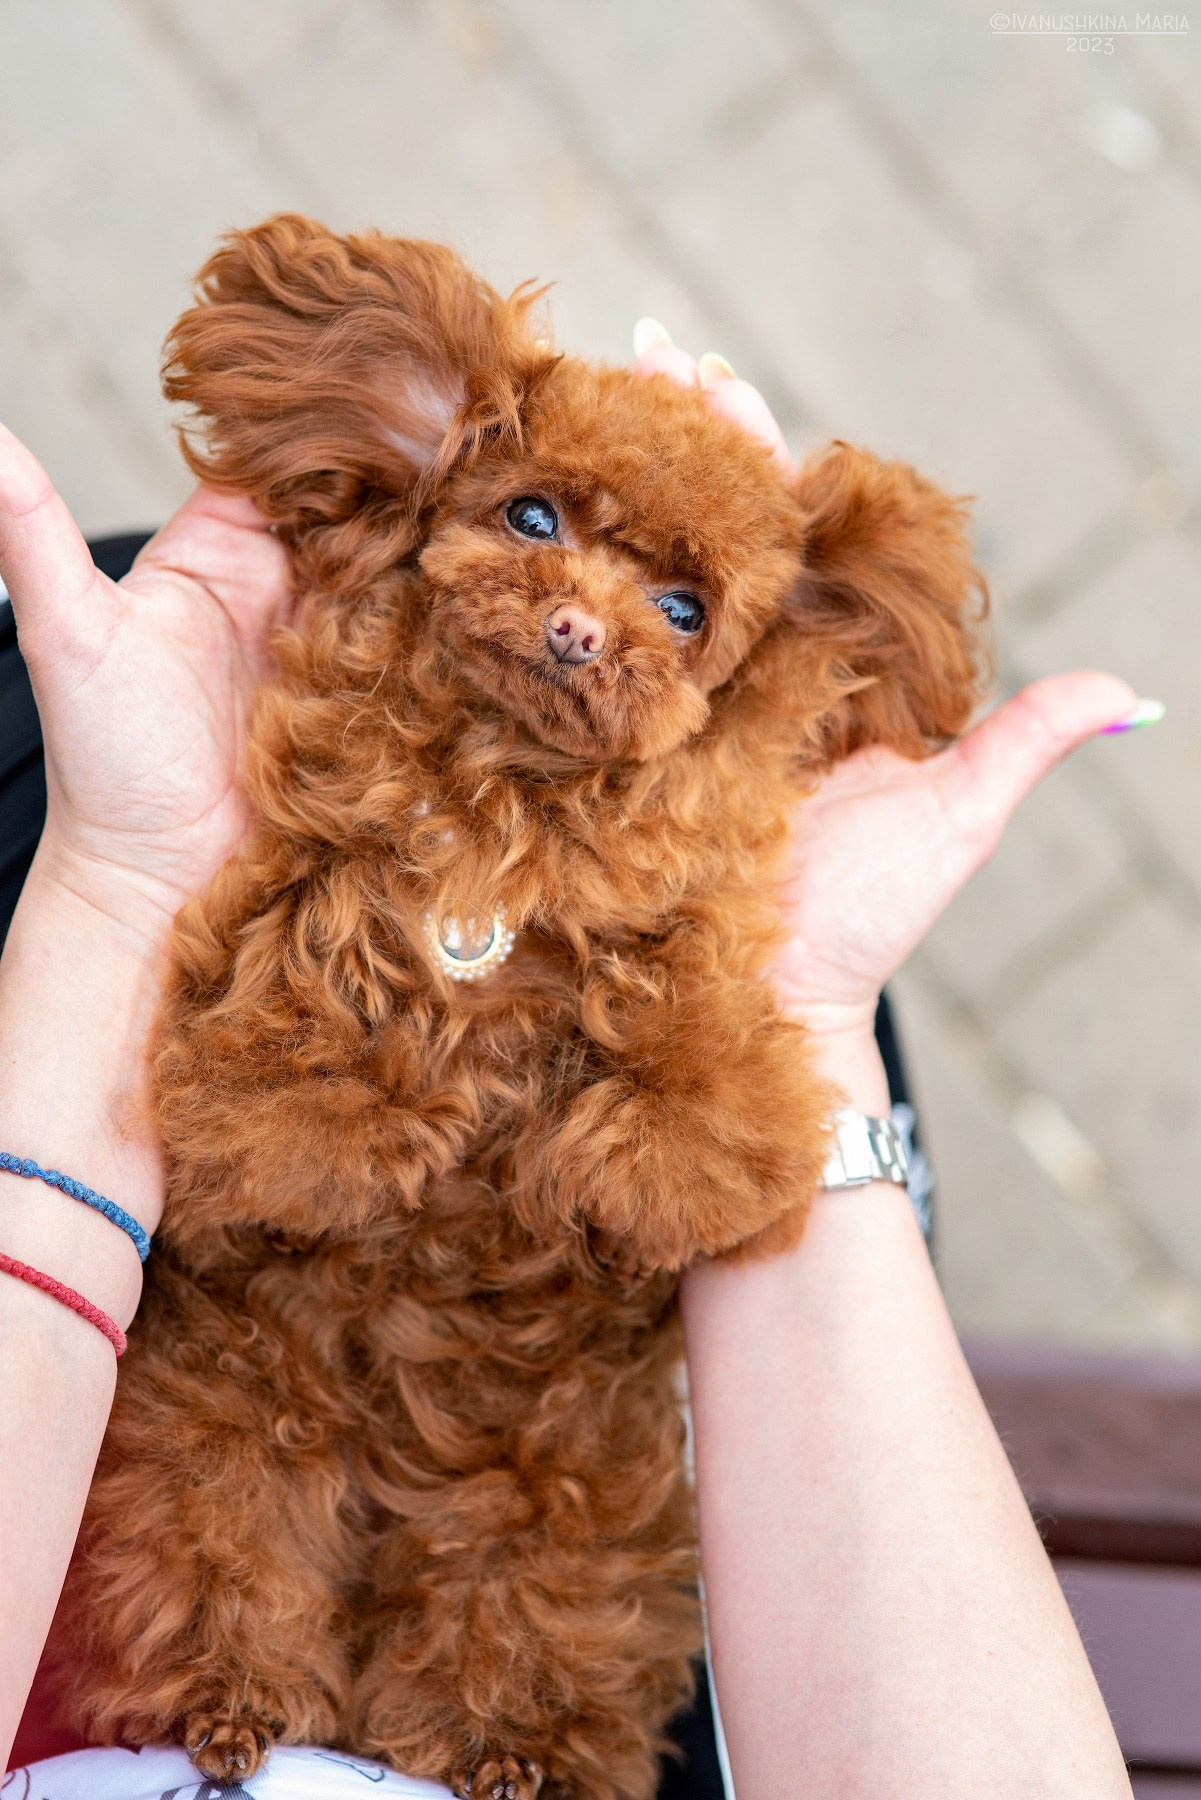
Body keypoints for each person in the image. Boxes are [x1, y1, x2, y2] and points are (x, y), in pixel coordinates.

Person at [0, 330, 1150, 1799]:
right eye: (534, 520)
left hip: (501, 1374)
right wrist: (805, 1037)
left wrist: (116, 895)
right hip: (269, 1288)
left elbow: (677, 1174)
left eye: (677, 606)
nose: (580, 619)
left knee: (549, 1498)